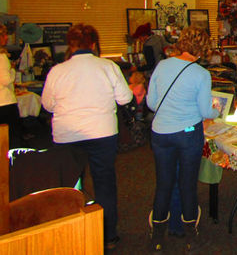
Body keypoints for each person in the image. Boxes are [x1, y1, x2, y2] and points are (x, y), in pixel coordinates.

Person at [41, 24, 132, 250]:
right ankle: (108, 235)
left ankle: (71, 232)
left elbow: (47, 105)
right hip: (102, 133)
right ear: (93, 44)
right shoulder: (107, 66)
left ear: (70, 45)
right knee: (104, 184)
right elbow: (125, 98)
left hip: (67, 135)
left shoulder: (57, 71)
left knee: (69, 186)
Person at [147, 26, 219, 252]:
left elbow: (151, 103)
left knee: (164, 185)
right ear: (203, 49)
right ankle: (191, 237)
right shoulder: (201, 74)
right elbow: (206, 112)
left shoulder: (162, 65)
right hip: (188, 136)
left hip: (161, 135)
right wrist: (216, 108)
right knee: (187, 185)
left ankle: (157, 237)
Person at [0, 25, 21, 148]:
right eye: (4, 35)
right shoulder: (2, 57)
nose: (7, 37)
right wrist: (12, 70)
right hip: (5, 103)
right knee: (10, 140)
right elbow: (6, 80)